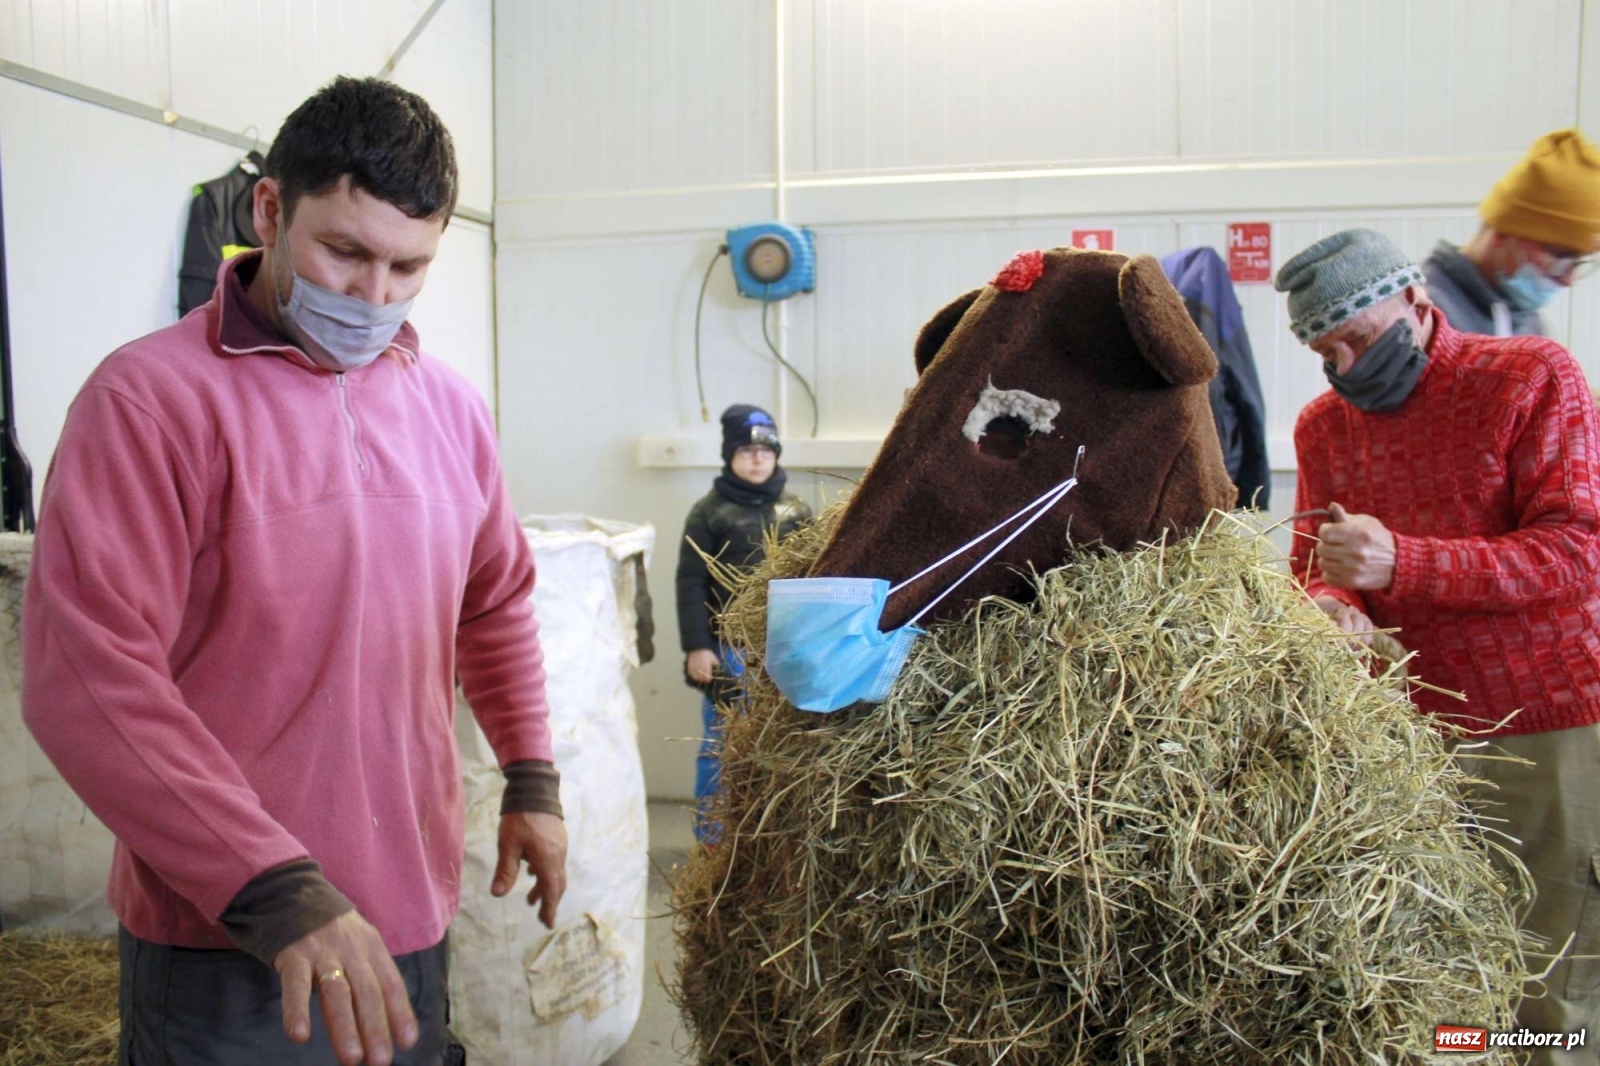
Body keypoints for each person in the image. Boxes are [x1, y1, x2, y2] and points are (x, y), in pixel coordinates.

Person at [21, 77, 566, 1066]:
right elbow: (88, 681)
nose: (374, 296)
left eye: (409, 266)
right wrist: (270, 887)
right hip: (231, 938)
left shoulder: (448, 410)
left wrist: (531, 774)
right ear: (267, 210)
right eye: (345, 252)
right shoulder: (150, 403)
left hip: (406, 915)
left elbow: (493, 604)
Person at [1277, 228, 1600, 1062]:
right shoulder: (1324, 427)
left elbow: (1577, 549)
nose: (1344, 366)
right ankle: (1466, 1051)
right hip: (1413, 731)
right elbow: (1314, 563)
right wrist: (1332, 603)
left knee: (1540, 949)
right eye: (1324, 350)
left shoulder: (1529, 378)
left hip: (1543, 717)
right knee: (1434, 943)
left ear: (1416, 307)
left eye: (1356, 339)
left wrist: (1405, 563)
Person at [675, 404, 812, 840]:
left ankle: (773, 838)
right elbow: (690, 583)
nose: (757, 458)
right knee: (720, 744)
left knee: (787, 743)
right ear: (729, 455)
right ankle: (713, 838)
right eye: (747, 450)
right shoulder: (708, 513)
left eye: (766, 450)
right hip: (729, 651)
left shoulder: (796, 512)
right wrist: (699, 647)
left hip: (785, 650)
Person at [1423, 128, 1600, 337]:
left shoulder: (1529, 323)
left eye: (1579, 262)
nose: (1568, 280)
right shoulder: (1425, 315)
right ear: (1504, 231)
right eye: (1561, 256)